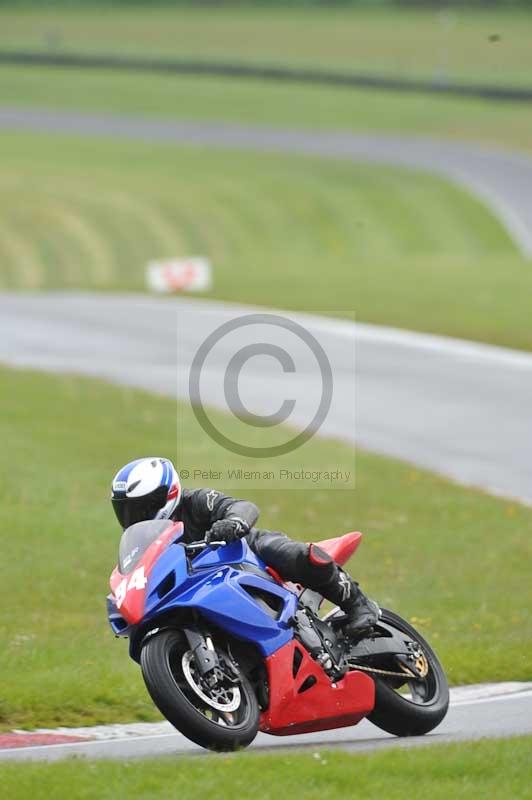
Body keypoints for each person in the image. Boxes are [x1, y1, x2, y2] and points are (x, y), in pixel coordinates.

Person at [111, 457, 379, 636]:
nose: (135, 517)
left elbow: (242, 507)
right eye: (127, 511)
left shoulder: (197, 501)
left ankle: (359, 604)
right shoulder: (148, 543)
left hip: (245, 552)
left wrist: (234, 523)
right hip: (202, 588)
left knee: (290, 554)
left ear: (167, 495)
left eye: (142, 508)